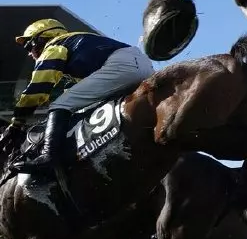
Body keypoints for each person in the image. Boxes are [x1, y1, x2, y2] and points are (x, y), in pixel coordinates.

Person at [0, 18, 154, 174]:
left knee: (60, 105)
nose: (29, 54)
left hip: (123, 66)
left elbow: (37, 88)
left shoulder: (54, 46)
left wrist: (16, 123)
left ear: (40, 39)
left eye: (28, 46)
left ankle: (49, 157)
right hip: (144, 65)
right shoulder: (74, 42)